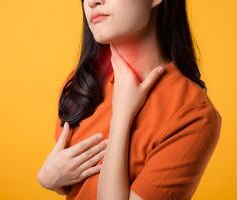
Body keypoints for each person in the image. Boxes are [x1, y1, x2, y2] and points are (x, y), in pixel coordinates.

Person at [37, 0, 222, 199]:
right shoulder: (81, 84)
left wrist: (122, 114)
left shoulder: (193, 114)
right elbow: (76, 185)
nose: (92, 2)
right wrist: (49, 178)